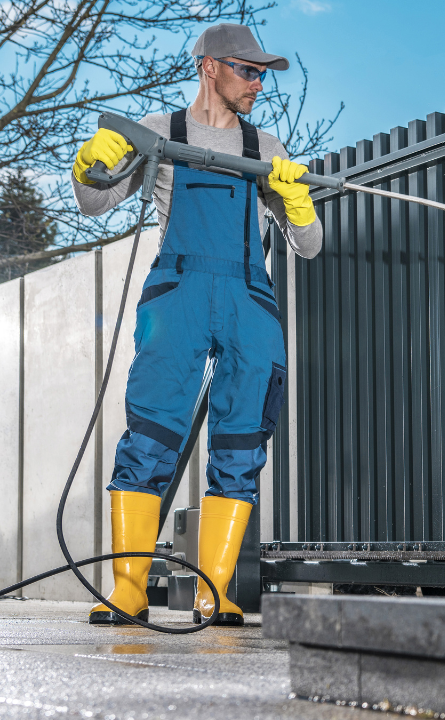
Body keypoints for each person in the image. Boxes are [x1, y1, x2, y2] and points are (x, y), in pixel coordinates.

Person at [70, 23, 321, 626]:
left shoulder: (268, 147)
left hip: (247, 295)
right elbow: (94, 201)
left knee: (240, 445)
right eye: (248, 70)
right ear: (210, 66)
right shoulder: (160, 134)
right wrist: (90, 164)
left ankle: (216, 593)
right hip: (178, 293)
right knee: (151, 434)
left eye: (263, 74)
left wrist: (297, 203)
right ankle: (129, 589)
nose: (259, 83)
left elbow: (308, 247)